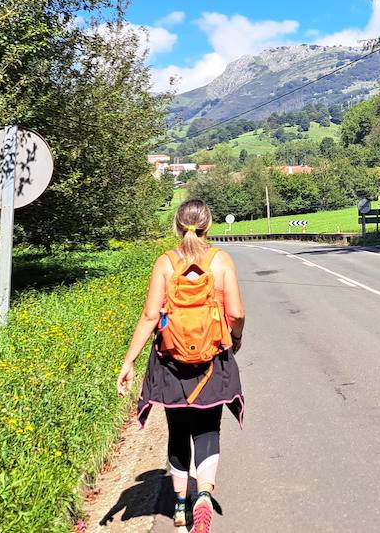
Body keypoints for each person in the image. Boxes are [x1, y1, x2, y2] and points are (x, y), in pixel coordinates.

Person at [118, 199, 245, 531]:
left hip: (170, 361)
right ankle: (203, 494)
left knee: (177, 430)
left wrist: (128, 362)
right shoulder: (221, 261)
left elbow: (149, 316)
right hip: (212, 360)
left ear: (177, 225)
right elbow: (237, 313)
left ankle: (179, 505)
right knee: (207, 428)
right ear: (209, 225)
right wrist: (236, 338)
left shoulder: (165, 262)